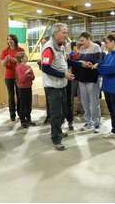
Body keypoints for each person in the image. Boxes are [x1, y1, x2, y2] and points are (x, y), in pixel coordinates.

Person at [41, 23, 76, 151]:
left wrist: (80, 63)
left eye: (67, 32)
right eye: (64, 32)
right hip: (53, 86)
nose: (66, 35)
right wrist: (63, 74)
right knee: (56, 114)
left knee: (62, 112)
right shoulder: (49, 48)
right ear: (55, 33)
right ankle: (56, 139)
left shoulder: (60, 46)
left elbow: (65, 61)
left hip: (61, 85)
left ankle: (58, 132)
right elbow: (45, 67)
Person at [93, 34, 115, 148]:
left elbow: (112, 68)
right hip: (107, 87)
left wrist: (99, 67)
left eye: (107, 42)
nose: (105, 44)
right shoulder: (109, 54)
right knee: (112, 112)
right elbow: (104, 66)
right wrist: (98, 65)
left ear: (114, 42)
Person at [73, 32, 102, 133]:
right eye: (80, 41)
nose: (81, 43)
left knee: (94, 102)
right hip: (82, 79)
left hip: (92, 79)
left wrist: (92, 64)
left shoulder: (96, 47)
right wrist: (82, 63)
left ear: (89, 38)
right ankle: (88, 121)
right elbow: (79, 61)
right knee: (85, 102)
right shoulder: (81, 49)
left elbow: (99, 61)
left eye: (82, 41)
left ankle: (96, 122)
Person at [0, 34, 24, 121]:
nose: (9, 41)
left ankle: (20, 113)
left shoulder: (20, 50)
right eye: (8, 39)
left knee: (19, 95)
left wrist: (13, 59)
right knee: (11, 95)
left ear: (15, 40)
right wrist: (6, 59)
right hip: (9, 76)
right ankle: (12, 113)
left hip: (19, 75)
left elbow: (23, 62)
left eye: (11, 39)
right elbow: (2, 64)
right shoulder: (5, 51)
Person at [15, 52, 35, 128]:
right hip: (22, 88)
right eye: (25, 56)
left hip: (28, 87)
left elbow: (33, 77)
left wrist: (30, 75)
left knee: (29, 104)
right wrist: (26, 74)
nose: (27, 57)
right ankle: (23, 121)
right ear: (21, 59)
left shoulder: (28, 66)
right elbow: (21, 79)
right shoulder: (19, 67)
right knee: (23, 105)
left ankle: (29, 119)